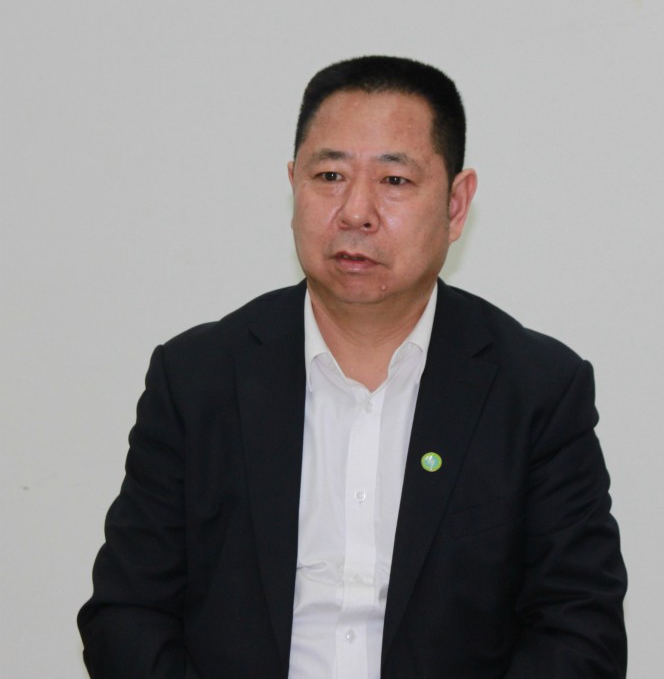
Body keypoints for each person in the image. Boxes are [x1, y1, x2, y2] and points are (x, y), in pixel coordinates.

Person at [78, 56, 627, 678]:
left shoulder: (536, 391)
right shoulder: (197, 379)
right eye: (330, 175)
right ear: (294, 186)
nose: (356, 211)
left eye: (394, 180)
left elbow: (579, 631)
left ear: (455, 204)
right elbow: (127, 613)